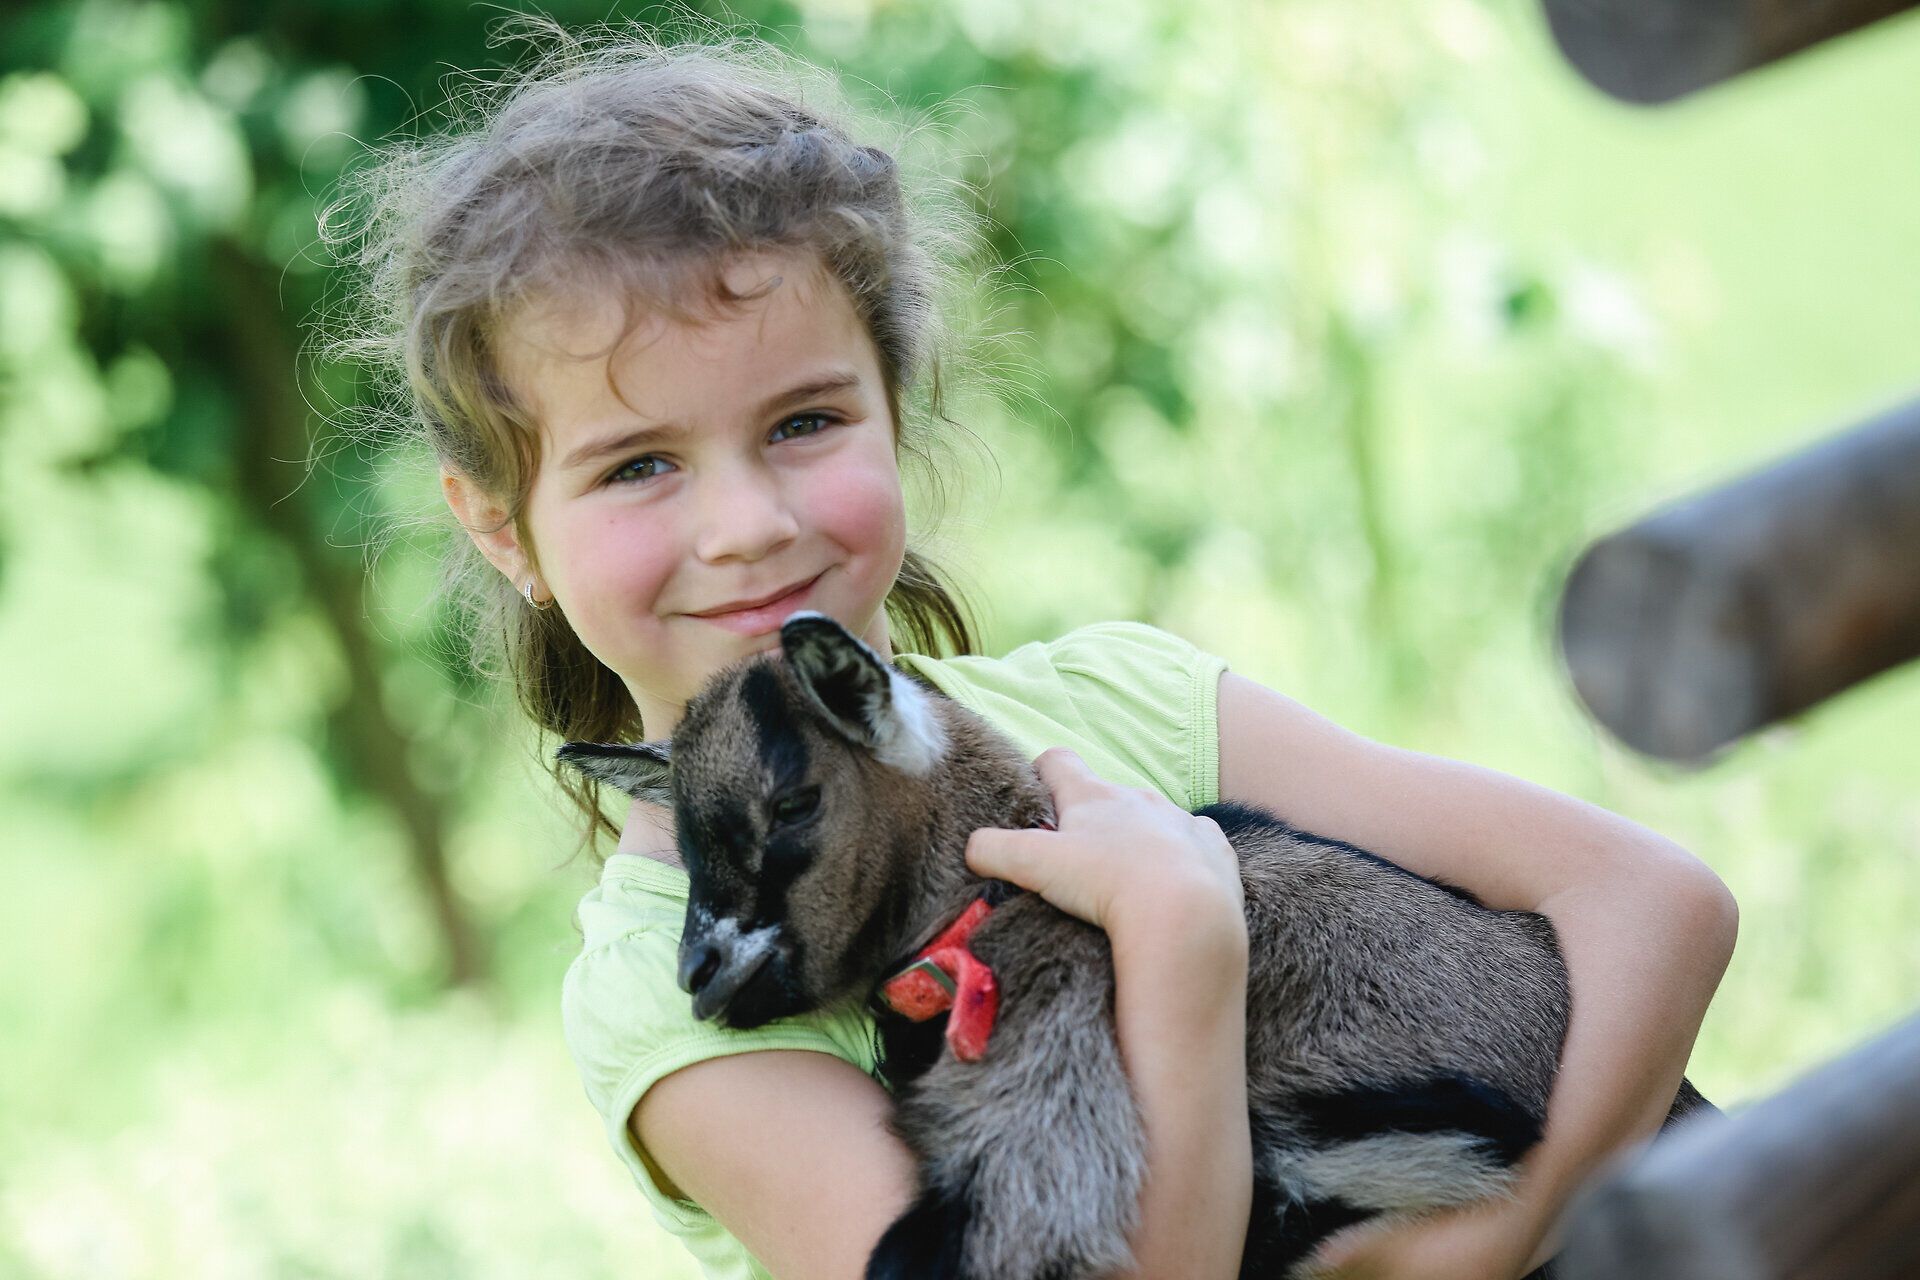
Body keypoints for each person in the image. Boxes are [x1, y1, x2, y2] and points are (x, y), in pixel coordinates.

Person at [330, 28, 1737, 1280]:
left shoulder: (1119, 702)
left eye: (804, 423)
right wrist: (1184, 968)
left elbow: (1653, 899)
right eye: (638, 464)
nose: (748, 527)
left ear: (898, 403)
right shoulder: (679, 1004)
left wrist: (1499, 1238)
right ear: (503, 527)